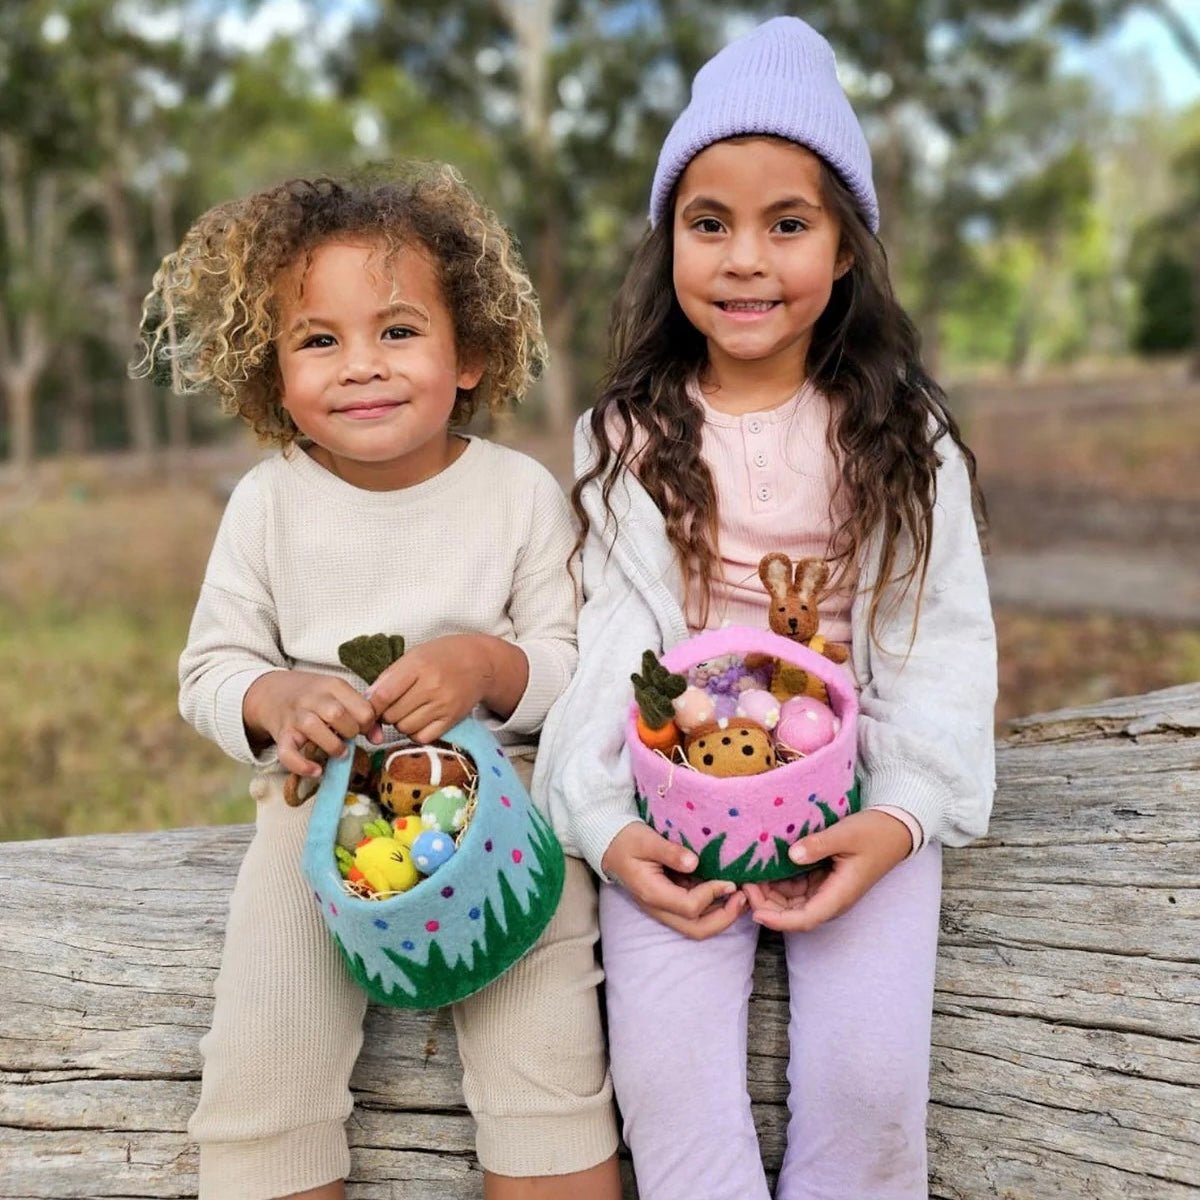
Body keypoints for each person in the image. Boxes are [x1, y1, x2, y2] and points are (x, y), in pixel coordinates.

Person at [533, 17, 997, 1200]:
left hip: (858, 781)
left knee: (867, 1085)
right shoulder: (627, 440)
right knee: (670, 1079)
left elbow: (938, 642)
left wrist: (897, 819)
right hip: (678, 793)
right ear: (668, 241)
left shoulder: (904, 441)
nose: (746, 258)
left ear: (845, 249)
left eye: (787, 223)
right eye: (709, 223)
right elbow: (612, 648)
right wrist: (605, 823)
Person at [136, 166, 619, 1200]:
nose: (361, 367)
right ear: (271, 369)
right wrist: (273, 702)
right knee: (263, 1071)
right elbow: (212, 668)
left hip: (507, 815)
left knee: (548, 1066)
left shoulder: (518, 495)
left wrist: (488, 667)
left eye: (397, 332)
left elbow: (577, 665)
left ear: (473, 353)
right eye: (319, 339)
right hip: (314, 826)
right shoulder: (269, 506)